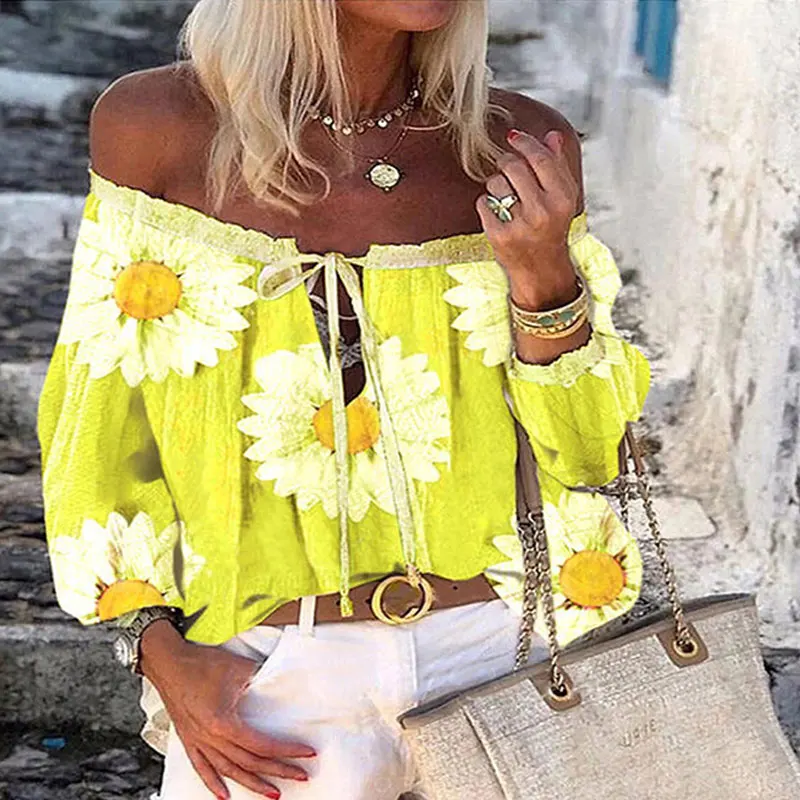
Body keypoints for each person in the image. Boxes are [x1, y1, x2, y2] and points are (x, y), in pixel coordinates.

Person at [36, 0, 651, 798]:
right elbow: (98, 417)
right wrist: (156, 649)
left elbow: (590, 451)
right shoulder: (154, 127)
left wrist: (544, 278)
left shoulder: (516, 148)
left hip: (508, 650)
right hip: (274, 675)